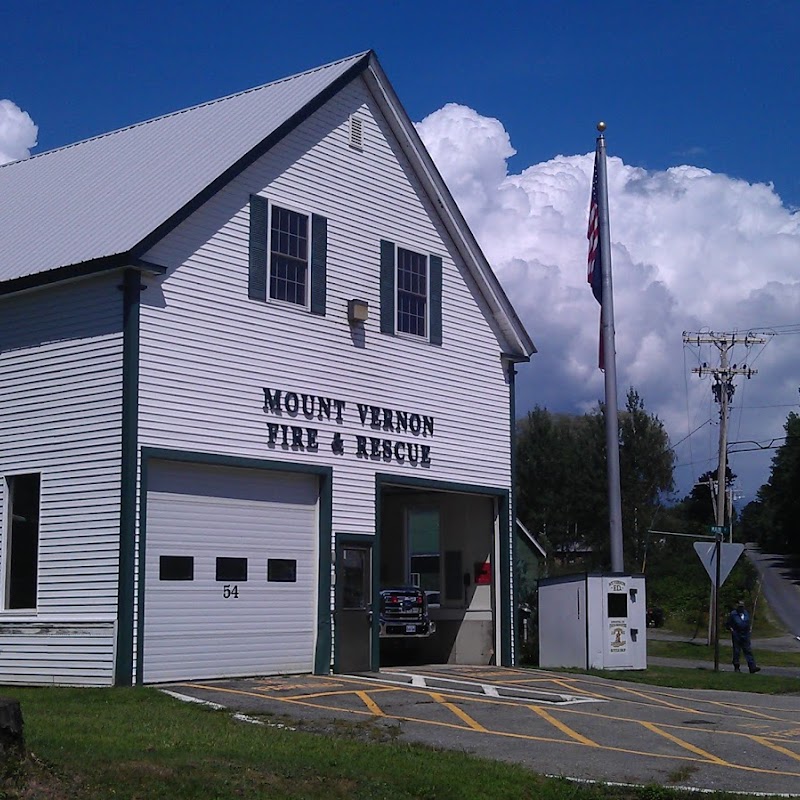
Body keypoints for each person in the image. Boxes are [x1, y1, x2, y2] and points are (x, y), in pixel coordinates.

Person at [726, 600, 761, 673]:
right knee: (737, 651)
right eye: (739, 607)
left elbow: (748, 622)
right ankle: (736, 667)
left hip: (745, 634)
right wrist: (732, 630)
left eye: (742, 607)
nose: (741, 608)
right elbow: (728, 624)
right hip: (737, 634)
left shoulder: (746, 613)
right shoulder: (733, 614)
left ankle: (752, 667)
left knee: (748, 650)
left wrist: (749, 630)